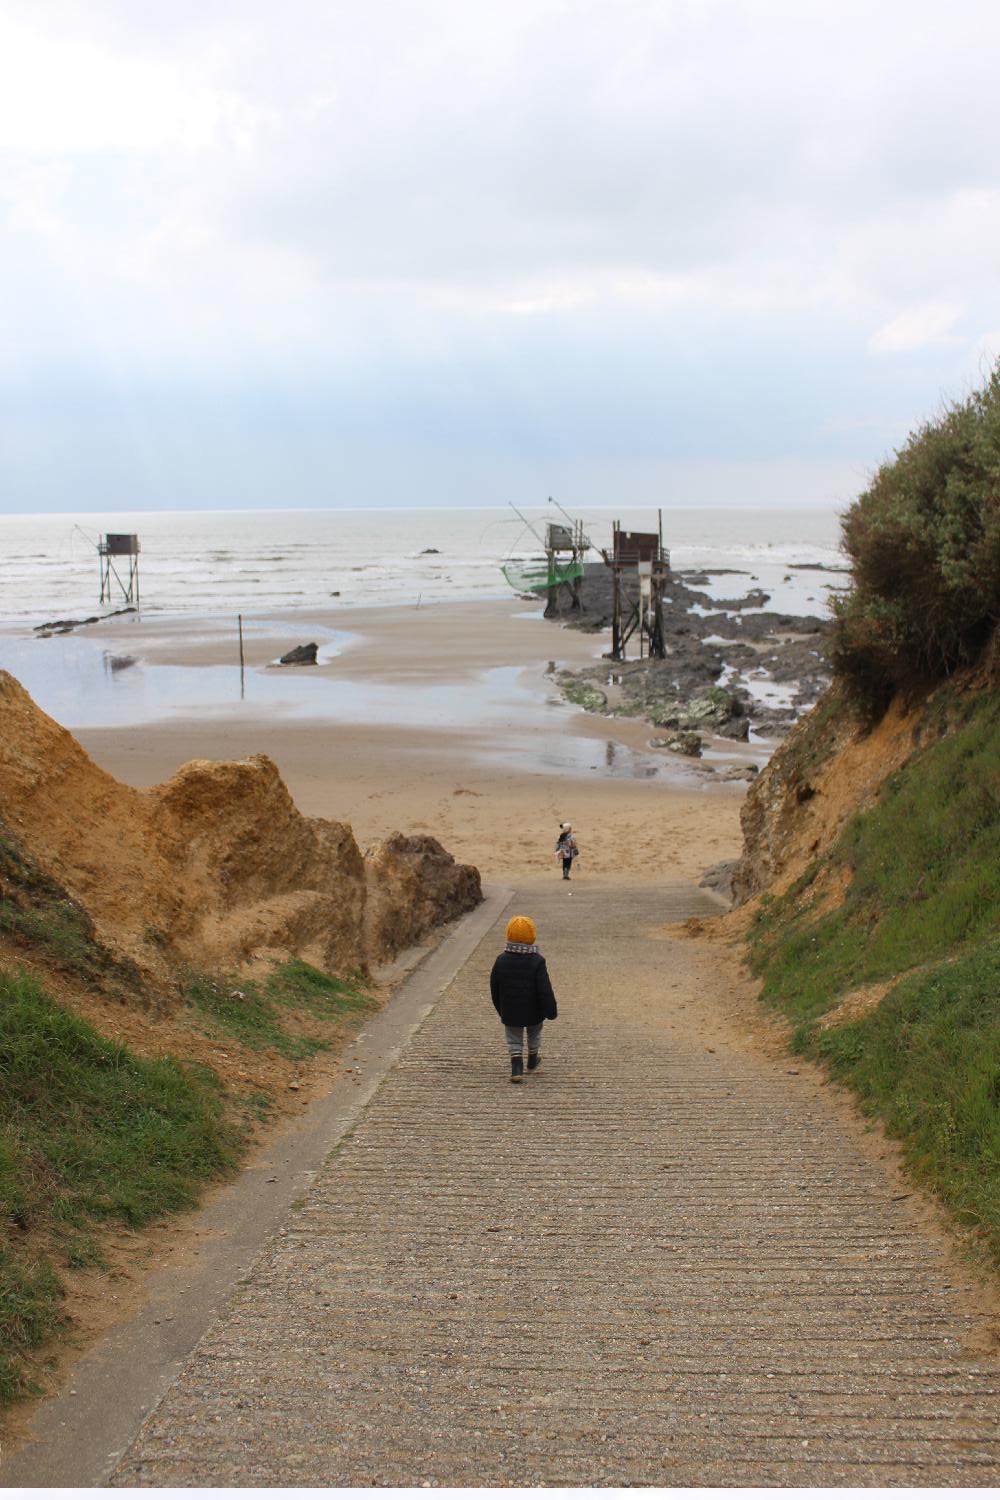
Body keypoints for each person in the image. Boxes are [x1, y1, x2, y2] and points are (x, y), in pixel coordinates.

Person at [490, 914, 558, 1082]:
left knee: (514, 1037)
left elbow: (494, 987)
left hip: (511, 1009)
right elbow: (544, 988)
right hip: (534, 1010)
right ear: (532, 936)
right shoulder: (537, 961)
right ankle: (533, 1059)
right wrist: (550, 1010)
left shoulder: (501, 960)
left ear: (509, 935)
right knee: (534, 1032)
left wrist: (501, 1008)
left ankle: (516, 1067)